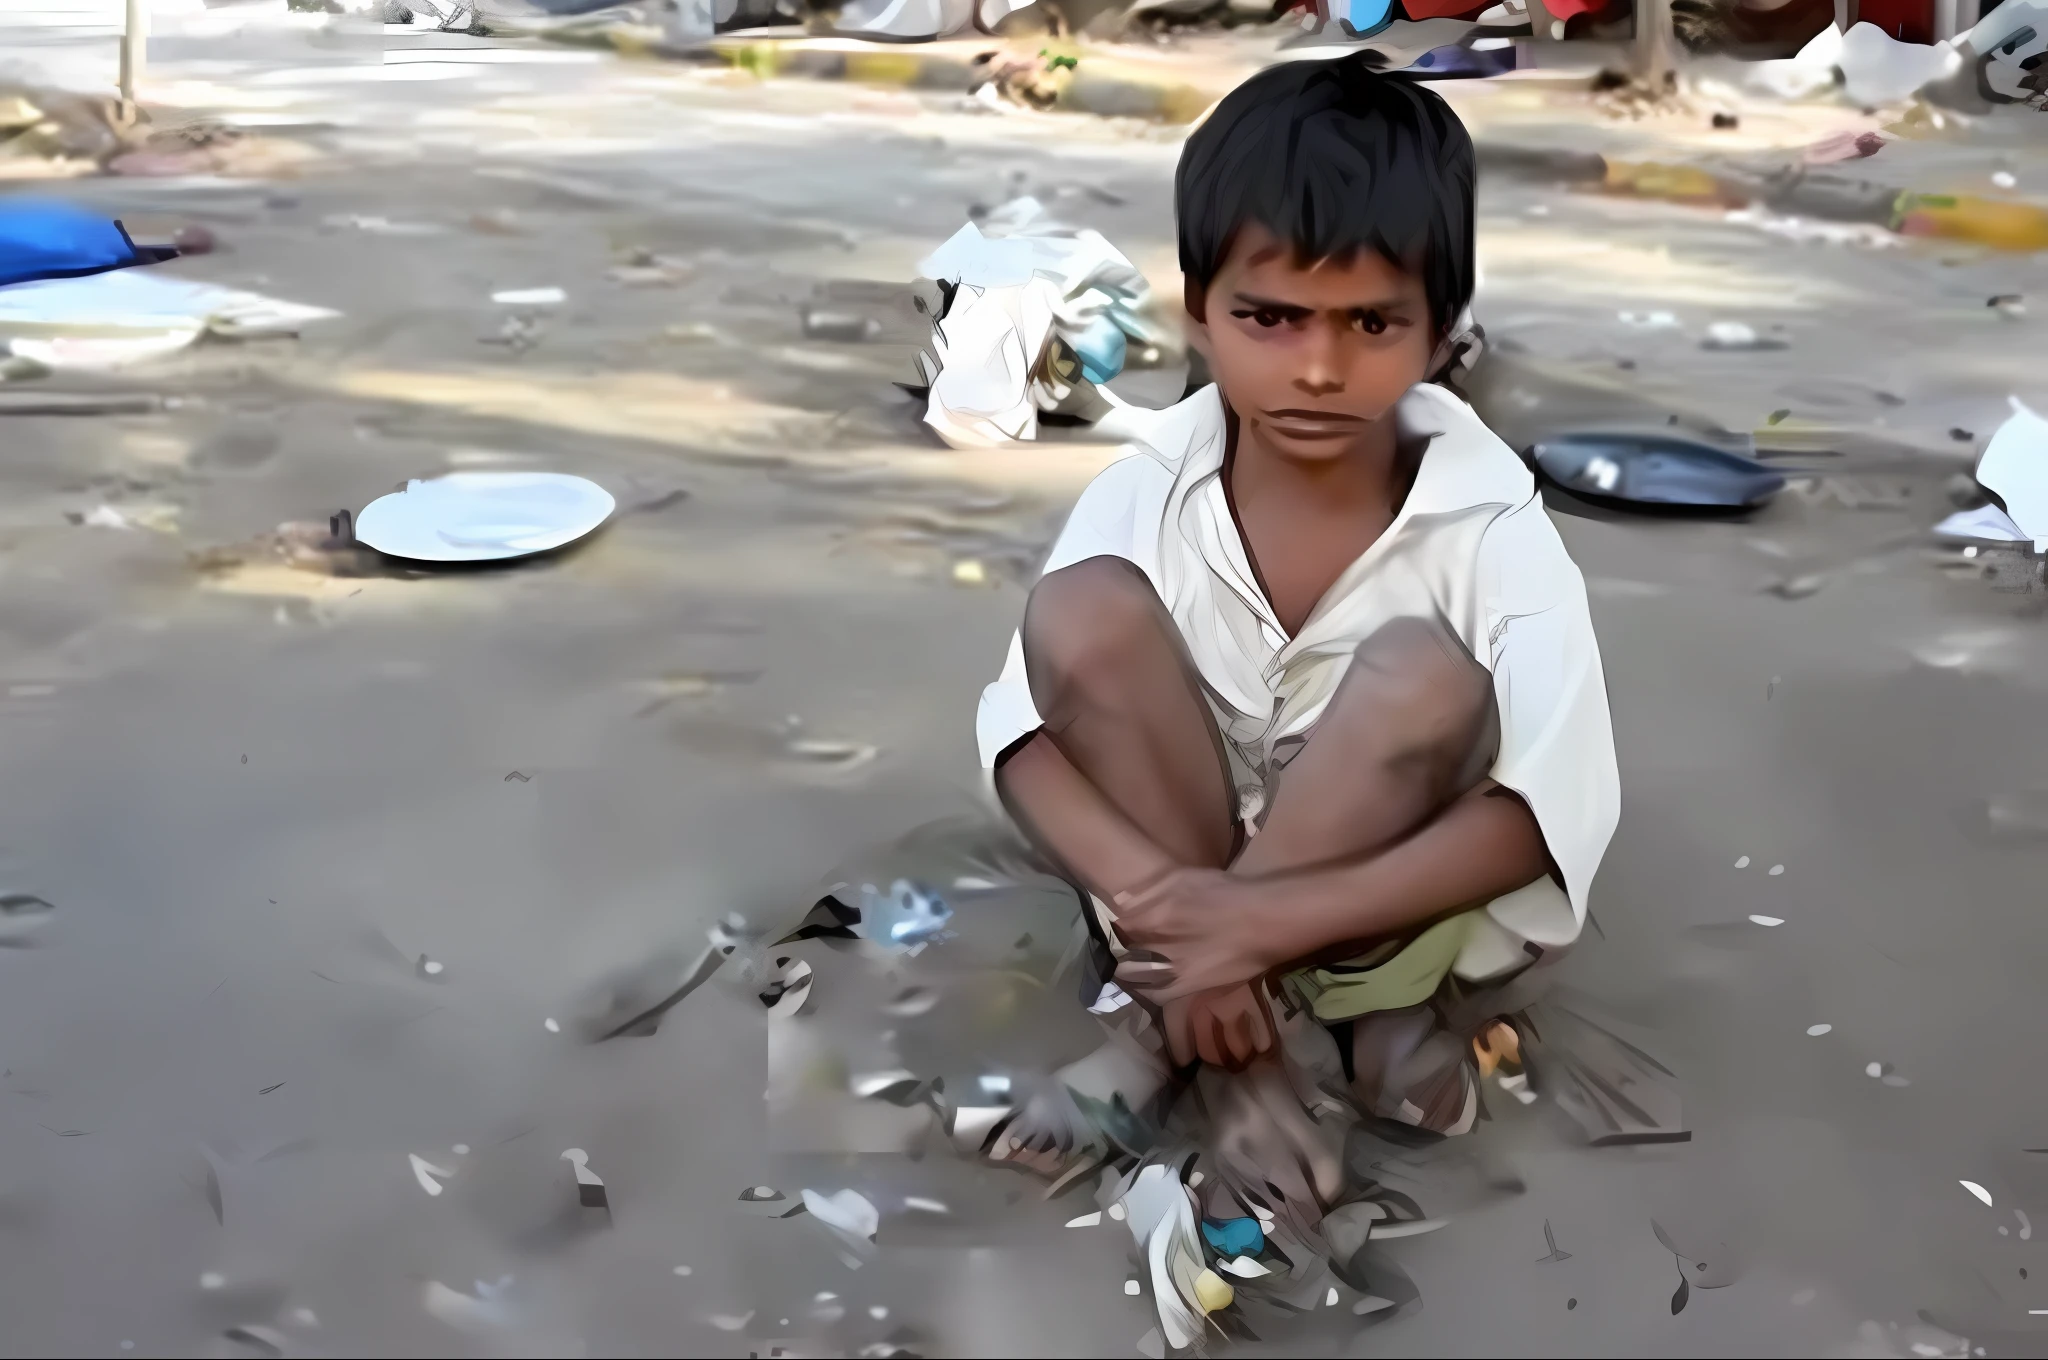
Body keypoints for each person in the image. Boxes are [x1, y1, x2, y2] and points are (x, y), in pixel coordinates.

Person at [971, 55, 1620, 1246]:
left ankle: (1177, 1029)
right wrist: (1181, 918)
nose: (1317, 368)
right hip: (1175, 877)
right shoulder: (1151, 487)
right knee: (1079, 613)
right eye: (1268, 317)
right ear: (1197, 313)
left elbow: (1544, 805)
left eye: (1370, 322)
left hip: (1380, 902)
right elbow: (1021, 743)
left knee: (1421, 677)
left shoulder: (1487, 519)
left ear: (1440, 336)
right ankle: (1250, 1069)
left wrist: (1244, 931)